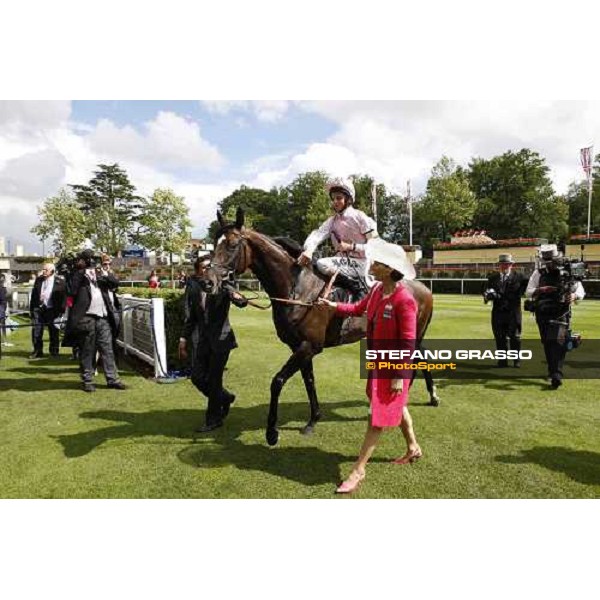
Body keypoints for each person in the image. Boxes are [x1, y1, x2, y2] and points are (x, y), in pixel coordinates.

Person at [318, 237, 421, 494]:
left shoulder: (404, 300)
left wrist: (399, 376)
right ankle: (413, 447)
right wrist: (332, 305)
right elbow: (357, 309)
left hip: (395, 367)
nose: (371, 264)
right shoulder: (376, 290)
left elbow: (408, 343)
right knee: (398, 406)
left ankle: (358, 470)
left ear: (388, 269)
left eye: (376, 263)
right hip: (378, 362)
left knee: (377, 417)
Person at [179, 254, 248, 433]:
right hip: (204, 341)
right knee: (196, 377)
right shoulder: (194, 289)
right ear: (198, 271)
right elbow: (192, 318)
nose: (207, 270)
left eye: (210, 267)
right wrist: (183, 339)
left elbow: (240, 301)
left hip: (222, 341)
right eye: (203, 267)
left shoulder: (223, 285)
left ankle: (213, 419)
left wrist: (237, 297)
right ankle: (225, 398)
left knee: (215, 380)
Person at [297, 176, 379, 297]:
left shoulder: (360, 217)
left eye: (339, 198)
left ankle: (357, 288)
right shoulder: (332, 221)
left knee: (322, 263)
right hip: (343, 263)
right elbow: (317, 235)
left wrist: (351, 247)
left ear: (348, 200)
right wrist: (308, 250)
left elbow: (376, 247)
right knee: (314, 266)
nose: (335, 201)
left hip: (361, 263)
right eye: (333, 198)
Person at [525, 244, 585, 389]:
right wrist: (541, 290)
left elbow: (580, 291)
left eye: (550, 260)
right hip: (542, 313)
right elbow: (528, 291)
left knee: (556, 342)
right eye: (545, 261)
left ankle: (556, 375)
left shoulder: (569, 271)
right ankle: (553, 371)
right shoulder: (538, 273)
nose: (547, 264)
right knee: (548, 342)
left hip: (561, 313)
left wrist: (573, 295)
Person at [70, 250, 126, 392]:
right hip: (86, 317)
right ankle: (87, 380)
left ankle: (113, 379)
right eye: (91, 260)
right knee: (87, 350)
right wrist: (82, 271)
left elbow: (115, 283)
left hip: (103, 317)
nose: (94, 263)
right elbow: (71, 290)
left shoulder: (101, 274)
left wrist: (104, 273)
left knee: (107, 349)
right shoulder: (79, 274)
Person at [483, 254, 526, 368]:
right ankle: (502, 361)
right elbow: (485, 293)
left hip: (513, 312)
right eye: (502, 264)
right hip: (498, 312)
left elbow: (528, 290)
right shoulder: (492, 278)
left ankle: (516, 360)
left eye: (507, 264)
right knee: (499, 337)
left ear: (512, 265)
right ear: (499, 265)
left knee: (515, 337)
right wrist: (487, 296)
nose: (504, 266)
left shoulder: (520, 277)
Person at [29, 263, 66, 358]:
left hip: (52, 310)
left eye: (46, 270)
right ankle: (37, 351)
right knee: (36, 331)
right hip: (38, 309)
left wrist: (61, 311)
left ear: (52, 271)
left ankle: (54, 352)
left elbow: (63, 298)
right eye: (43, 269)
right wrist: (32, 310)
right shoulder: (39, 280)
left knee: (53, 332)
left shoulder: (60, 282)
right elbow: (34, 296)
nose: (44, 271)